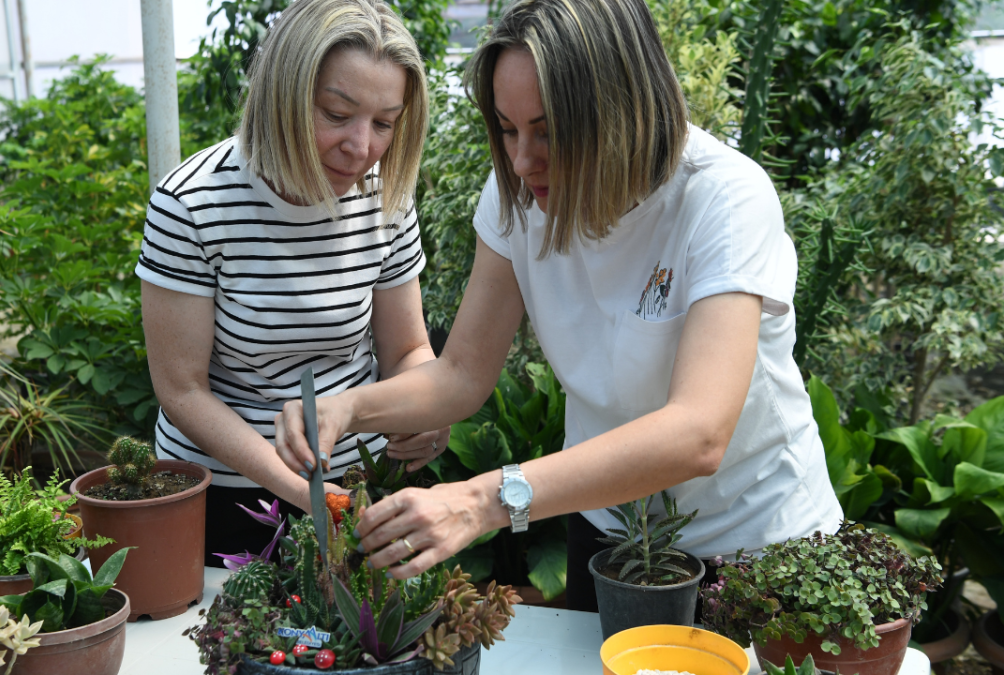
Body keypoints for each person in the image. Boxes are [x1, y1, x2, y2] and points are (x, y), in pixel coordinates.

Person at [274, 0, 842, 610]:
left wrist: (477, 501)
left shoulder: (723, 200)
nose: (522, 160)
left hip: (753, 545)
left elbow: (698, 433)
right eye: (508, 129)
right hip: (610, 535)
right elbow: (463, 372)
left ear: (623, 110)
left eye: (548, 131)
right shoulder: (519, 193)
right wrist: (348, 409)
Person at [137, 0, 449, 566]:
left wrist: (426, 412)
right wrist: (306, 492)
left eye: (384, 123)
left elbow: (407, 349)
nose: (362, 148)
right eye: (336, 113)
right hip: (227, 493)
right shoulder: (192, 203)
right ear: (283, 93)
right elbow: (182, 391)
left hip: (359, 483)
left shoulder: (384, 195)